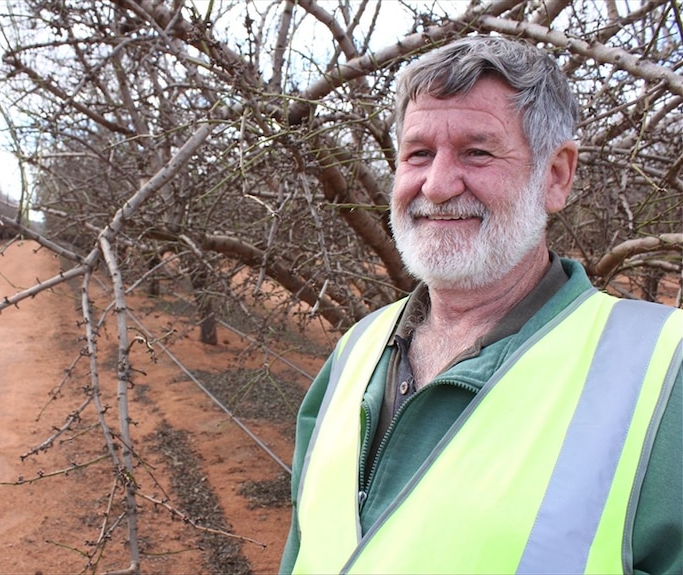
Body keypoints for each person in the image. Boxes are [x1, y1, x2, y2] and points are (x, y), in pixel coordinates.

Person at [280, 35, 682, 575]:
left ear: (556, 175)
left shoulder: (664, 373)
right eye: (419, 153)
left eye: (478, 152)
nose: (439, 185)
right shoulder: (356, 349)